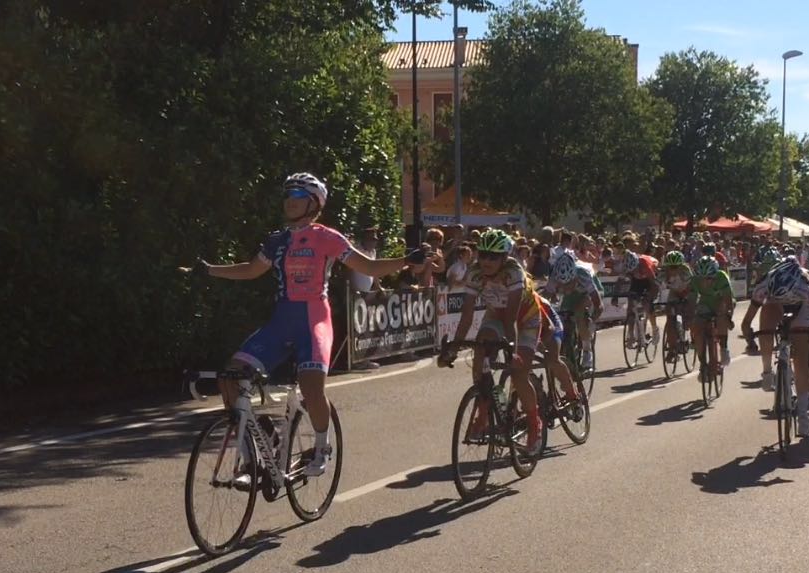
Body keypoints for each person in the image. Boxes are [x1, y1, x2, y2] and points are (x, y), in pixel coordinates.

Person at [191, 173, 430, 476]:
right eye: (288, 194)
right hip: (281, 321)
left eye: (298, 195)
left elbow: (367, 266)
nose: (290, 200)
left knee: (311, 387)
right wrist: (211, 271)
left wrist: (405, 261)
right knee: (230, 377)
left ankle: (322, 446)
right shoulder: (277, 240)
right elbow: (252, 270)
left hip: (314, 320)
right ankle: (253, 450)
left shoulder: (326, 237)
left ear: (314, 204)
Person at [438, 229, 546, 449]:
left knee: (519, 373)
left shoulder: (513, 272)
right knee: (481, 350)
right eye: (483, 254)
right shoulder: (475, 273)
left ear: (504, 258)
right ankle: (483, 413)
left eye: (493, 256)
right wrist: (454, 348)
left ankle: (535, 423)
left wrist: (513, 351)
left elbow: (513, 318)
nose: (486, 260)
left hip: (525, 319)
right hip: (496, 314)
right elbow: (467, 316)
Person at [740, 257, 809, 437]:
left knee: (800, 358)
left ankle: (802, 416)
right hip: (774, 304)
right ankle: (767, 371)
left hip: (803, 307)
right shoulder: (764, 286)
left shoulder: (806, 287)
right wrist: (751, 341)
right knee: (766, 322)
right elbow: (746, 323)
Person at [543, 251, 604, 370]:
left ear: (574, 277)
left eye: (569, 283)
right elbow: (545, 299)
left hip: (589, 293)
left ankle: (587, 352)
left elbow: (599, 305)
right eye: (563, 284)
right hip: (572, 297)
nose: (566, 287)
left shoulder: (583, 274)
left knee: (579, 312)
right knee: (561, 316)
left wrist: (592, 321)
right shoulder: (554, 277)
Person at [689, 255, 734, 372]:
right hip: (706, 303)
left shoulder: (722, 277)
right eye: (702, 278)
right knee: (697, 327)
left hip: (722, 301)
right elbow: (692, 302)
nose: (705, 282)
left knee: (721, 316)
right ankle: (703, 363)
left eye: (709, 278)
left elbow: (728, 301)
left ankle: (724, 348)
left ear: (715, 275)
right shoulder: (694, 280)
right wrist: (691, 319)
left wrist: (728, 316)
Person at [620, 250, 661, 348]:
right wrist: (614, 297)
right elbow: (620, 281)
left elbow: (654, 285)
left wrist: (650, 296)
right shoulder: (627, 267)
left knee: (647, 303)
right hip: (637, 281)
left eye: (634, 270)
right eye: (631, 271)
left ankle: (655, 329)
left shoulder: (644, 264)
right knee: (630, 305)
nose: (633, 272)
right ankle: (631, 335)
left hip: (649, 280)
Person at [661, 251, 693, 363]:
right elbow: (656, 284)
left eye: (676, 267)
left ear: (681, 266)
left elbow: (691, 286)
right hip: (674, 293)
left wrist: (685, 298)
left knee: (688, 312)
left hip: (687, 292)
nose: (673, 269)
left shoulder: (685, 271)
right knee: (670, 319)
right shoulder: (664, 272)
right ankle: (672, 350)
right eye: (671, 267)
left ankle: (688, 332)